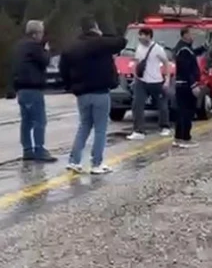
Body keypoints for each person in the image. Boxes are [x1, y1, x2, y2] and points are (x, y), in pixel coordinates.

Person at [60, 16, 127, 174]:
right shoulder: (101, 43)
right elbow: (121, 42)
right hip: (100, 91)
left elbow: (63, 69)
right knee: (100, 128)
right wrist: (104, 34)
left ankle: (74, 161)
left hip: (82, 93)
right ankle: (97, 163)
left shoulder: (72, 47)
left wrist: (70, 85)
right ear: (95, 28)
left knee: (84, 126)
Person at [11, 20, 56, 162]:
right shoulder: (35, 46)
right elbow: (45, 61)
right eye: (41, 32)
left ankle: (27, 149)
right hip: (33, 87)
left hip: (21, 88)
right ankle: (39, 149)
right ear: (36, 33)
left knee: (26, 121)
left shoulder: (19, 46)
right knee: (39, 121)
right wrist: (47, 50)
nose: (42, 36)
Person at [127, 27, 172, 141]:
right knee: (137, 104)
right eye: (139, 35)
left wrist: (166, 79)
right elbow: (137, 62)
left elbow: (166, 63)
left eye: (143, 35)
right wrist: (134, 76)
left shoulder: (157, 49)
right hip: (141, 81)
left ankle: (164, 126)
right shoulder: (139, 47)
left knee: (162, 104)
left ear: (149, 36)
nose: (140, 37)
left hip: (156, 81)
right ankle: (139, 130)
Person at [172, 27, 203, 148]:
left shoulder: (183, 48)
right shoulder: (184, 50)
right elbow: (187, 68)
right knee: (187, 112)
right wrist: (193, 84)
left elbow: (192, 54)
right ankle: (185, 138)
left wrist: (202, 49)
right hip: (185, 85)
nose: (193, 36)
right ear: (185, 35)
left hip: (182, 84)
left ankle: (178, 137)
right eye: (191, 34)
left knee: (181, 111)